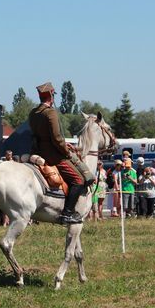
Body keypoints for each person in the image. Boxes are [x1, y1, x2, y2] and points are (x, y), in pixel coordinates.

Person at [28, 82, 91, 224]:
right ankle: (67, 213)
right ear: (51, 95)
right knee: (78, 179)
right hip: (52, 154)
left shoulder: (33, 113)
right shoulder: (50, 112)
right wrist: (66, 151)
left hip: (37, 151)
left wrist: (63, 143)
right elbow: (56, 138)